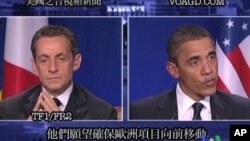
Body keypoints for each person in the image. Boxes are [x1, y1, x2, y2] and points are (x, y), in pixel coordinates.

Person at [130, 25, 250, 120]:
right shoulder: (142, 113)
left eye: (211, 57)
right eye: (194, 62)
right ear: (174, 70)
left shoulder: (243, 110)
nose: (208, 70)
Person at [0, 25, 117, 120]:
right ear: (35, 66)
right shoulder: (9, 110)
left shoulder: (102, 114)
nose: (53, 68)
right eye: (44, 60)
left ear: (76, 62)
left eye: (61, 59)